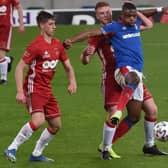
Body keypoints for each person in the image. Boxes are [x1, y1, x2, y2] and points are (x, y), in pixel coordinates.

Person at [63, 2, 166, 160]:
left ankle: (149, 145)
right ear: (97, 16)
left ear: (113, 12)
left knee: (148, 111)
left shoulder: (126, 23)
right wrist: (85, 53)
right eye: (101, 13)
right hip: (113, 77)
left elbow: (138, 14)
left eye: (107, 12)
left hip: (132, 74)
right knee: (113, 113)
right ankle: (106, 147)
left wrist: (159, 9)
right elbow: (85, 60)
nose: (105, 15)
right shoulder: (101, 34)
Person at [3, 11, 77, 163]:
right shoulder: (35, 46)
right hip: (33, 88)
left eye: (54, 23)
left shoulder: (57, 44)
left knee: (56, 126)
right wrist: (19, 91)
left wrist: (72, 82)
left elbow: (68, 66)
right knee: (38, 121)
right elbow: (19, 68)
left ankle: (36, 154)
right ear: (42, 26)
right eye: (50, 24)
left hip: (47, 90)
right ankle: (12, 148)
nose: (54, 27)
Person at [0, 0, 24, 85]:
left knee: (1, 54)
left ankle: (4, 78)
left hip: (5, 28)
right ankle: (7, 60)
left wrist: (21, 24)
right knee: (1, 56)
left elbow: (19, 7)